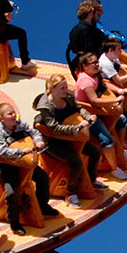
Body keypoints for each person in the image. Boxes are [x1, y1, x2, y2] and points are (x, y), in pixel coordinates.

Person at [0, 103, 61, 234]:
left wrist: (38, 141)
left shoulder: (21, 124)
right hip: (8, 165)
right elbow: (2, 151)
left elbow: (35, 132)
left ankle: (42, 205)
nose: (13, 115)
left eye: (13, 112)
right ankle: (14, 222)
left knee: (43, 178)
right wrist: (19, 151)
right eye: (9, 113)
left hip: (25, 163)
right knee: (12, 192)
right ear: (1, 118)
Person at [34, 73, 103, 207]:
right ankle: (70, 193)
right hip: (53, 140)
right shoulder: (46, 107)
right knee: (75, 162)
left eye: (66, 87)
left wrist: (88, 116)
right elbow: (54, 128)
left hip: (70, 135)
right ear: (52, 88)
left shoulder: (68, 97)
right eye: (62, 88)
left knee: (95, 152)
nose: (66, 90)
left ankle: (91, 180)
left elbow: (78, 108)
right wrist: (75, 128)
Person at [72, 52, 127, 179]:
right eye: (93, 63)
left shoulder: (95, 74)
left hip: (99, 110)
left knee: (122, 121)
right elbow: (94, 101)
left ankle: (120, 150)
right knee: (107, 141)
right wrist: (115, 100)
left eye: (96, 62)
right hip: (89, 114)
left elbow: (104, 84)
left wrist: (119, 91)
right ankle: (114, 168)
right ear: (85, 66)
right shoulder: (86, 81)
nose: (97, 65)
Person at [67, 0, 107, 66]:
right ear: (91, 13)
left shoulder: (74, 30)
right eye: (96, 12)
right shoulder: (90, 31)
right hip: (92, 65)